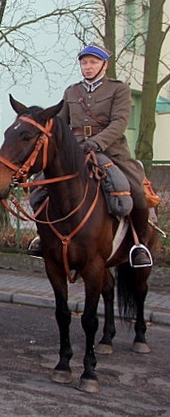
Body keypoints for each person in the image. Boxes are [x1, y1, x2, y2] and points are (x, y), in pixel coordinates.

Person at [34, 43, 151, 267]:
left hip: (110, 150)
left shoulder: (118, 89)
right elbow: (60, 123)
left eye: (93, 62)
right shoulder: (71, 91)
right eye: (84, 63)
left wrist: (97, 142)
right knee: (39, 189)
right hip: (75, 152)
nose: (88, 67)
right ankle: (43, 238)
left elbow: (119, 123)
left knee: (134, 190)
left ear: (104, 65)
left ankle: (139, 245)